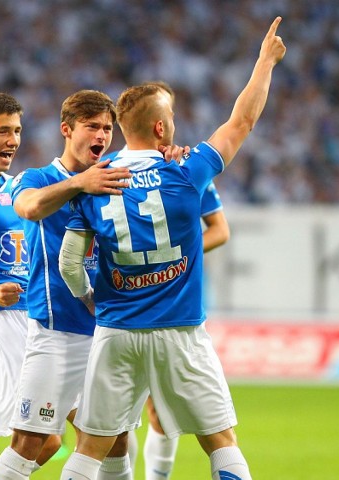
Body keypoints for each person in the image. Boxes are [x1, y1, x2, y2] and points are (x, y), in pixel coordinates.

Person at [58, 17, 285, 480]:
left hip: (116, 332)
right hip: (180, 331)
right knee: (221, 443)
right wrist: (265, 62)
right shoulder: (185, 171)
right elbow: (241, 120)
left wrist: (92, 300)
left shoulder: (94, 181)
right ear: (161, 128)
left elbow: (69, 263)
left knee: (89, 451)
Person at [0, 89, 134, 480]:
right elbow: (30, 207)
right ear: (66, 130)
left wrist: (170, 155)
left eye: (107, 128)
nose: (102, 135)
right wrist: (80, 183)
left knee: (116, 439)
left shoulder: (114, 175)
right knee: (29, 444)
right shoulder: (37, 178)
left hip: (109, 333)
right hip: (56, 335)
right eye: (92, 126)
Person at [103, 81, 230, 480]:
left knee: (152, 409)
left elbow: (219, 229)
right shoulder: (181, 169)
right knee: (119, 423)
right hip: (145, 309)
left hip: (129, 307)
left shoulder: (178, 166)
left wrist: (169, 260)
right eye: (170, 114)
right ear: (159, 125)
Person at [0, 91, 63, 475]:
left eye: (17, 131)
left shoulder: (14, 187)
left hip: (37, 316)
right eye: (3, 131)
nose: (13, 140)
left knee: (69, 432)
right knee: (45, 437)